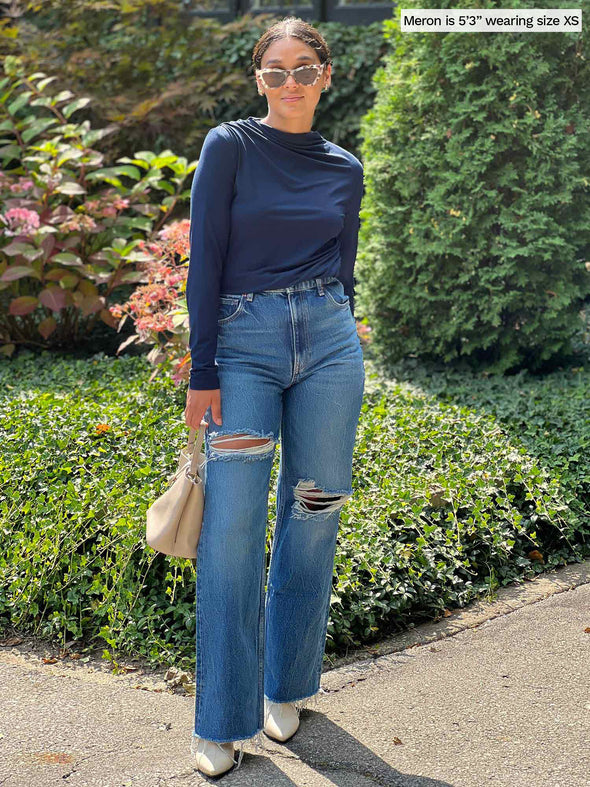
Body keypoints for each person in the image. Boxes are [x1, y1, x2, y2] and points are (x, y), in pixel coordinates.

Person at [183, 15, 365, 778]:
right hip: (244, 345)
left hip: (328, 341)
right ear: (258, 80)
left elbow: (345, 266)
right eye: (275, 71)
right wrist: (203, 371)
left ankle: (286, 686)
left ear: (326, 74)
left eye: (304, 68)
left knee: (315, 509)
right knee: (230, 531)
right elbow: (206, 258)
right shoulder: (230, 147)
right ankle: (221, 720)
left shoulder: (344, 166)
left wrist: (344, 331)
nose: (290, 83)